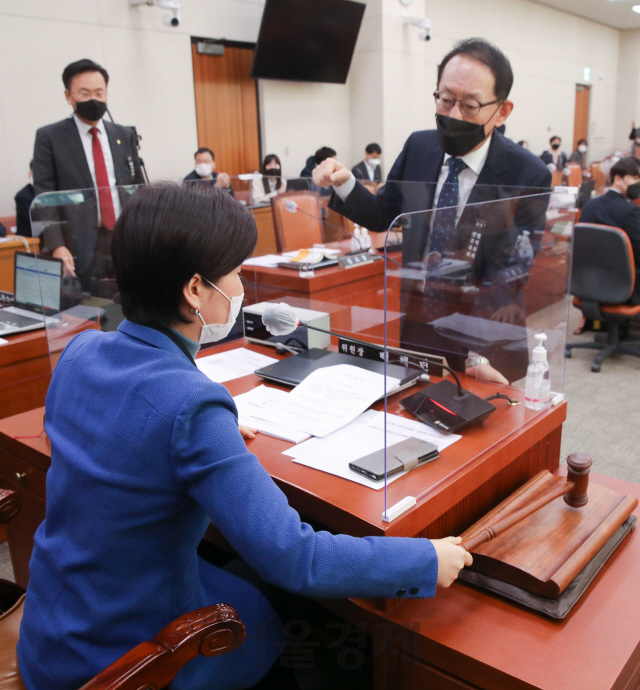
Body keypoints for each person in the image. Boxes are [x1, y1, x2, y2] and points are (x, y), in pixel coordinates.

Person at [17, 182, 472, 690]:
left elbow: (116, 434)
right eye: (233, 273)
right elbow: (298, 559)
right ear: (194, 290)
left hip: (52, 630)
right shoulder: (191, 407)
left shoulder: (81, 352)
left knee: (236, 578)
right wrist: (424, 560)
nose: (238, 287)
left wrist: (205, 435)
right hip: (123, 660)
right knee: (284, 616)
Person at [314, 38, 551, 384]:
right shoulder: (419, 146)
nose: (454, 115)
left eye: (470, 106)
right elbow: (384, 214)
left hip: (485, 333)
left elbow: (514, 268)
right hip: (420, 322)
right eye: (445, 99)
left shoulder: (527, 173)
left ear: (502, 111)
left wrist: (477, 347)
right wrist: (344, 182)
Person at [32, 58, 144, 283]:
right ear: (69, 96)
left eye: (99, 93)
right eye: (84, 93)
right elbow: (44, 197)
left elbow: (137, 186)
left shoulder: (124, 135)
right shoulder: (50, 137)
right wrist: (57, 246)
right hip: (78, 240)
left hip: (124, 237)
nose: (94, 99)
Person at [579, 157, 640, 304]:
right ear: (618, 179)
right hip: (625, 285)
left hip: (587, 282)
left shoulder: (589, 206)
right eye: (636, 178)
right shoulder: (631, 211)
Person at [14, 162, 35, 237]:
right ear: (30, 174)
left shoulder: (52, 193)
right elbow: (34, 222)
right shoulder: (22, 196)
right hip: (31, 241)